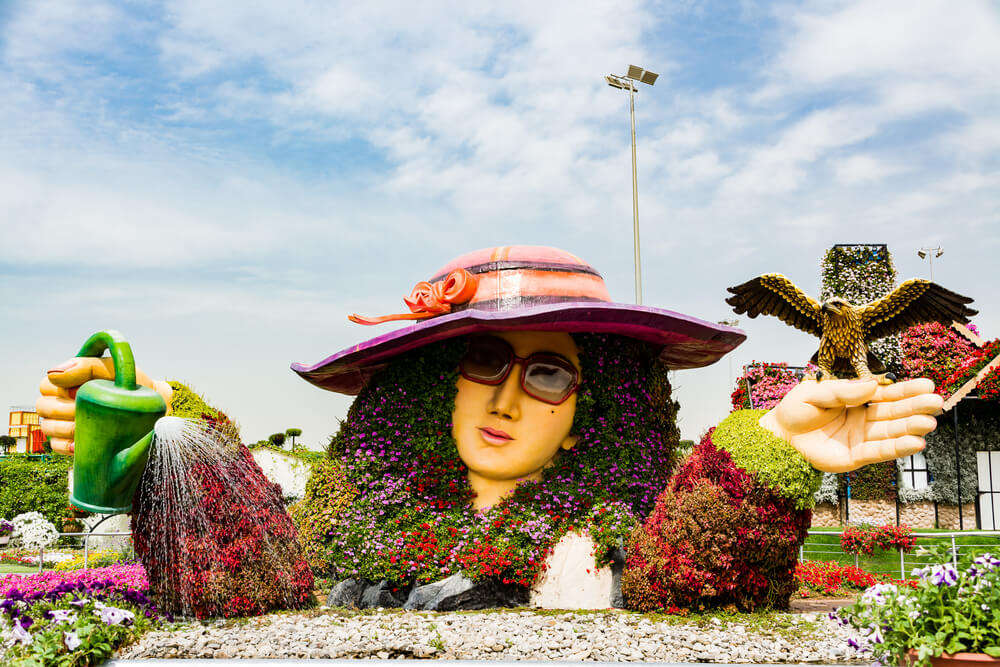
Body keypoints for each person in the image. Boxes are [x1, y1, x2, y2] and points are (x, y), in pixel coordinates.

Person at [37, 245, 942, 608]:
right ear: (435, 382)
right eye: (480, 361)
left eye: (548, 370)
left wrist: (770, 448)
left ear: (594, 406)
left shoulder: (623, 544)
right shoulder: (346, 523)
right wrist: (167, 443)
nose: (507, 398)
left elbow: (693, 590)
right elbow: (250, 581)